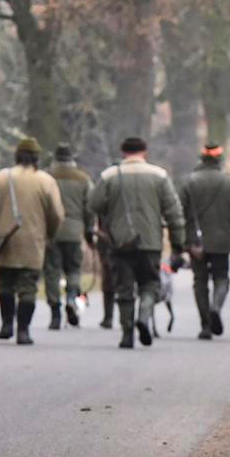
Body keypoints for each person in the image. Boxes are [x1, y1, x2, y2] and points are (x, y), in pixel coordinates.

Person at [88, 136, 186, 349]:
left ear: (123, 152)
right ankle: (144, 315)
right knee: (150, 284)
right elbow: (174, 212)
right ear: (145, 152)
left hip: (120, 243)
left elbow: (94, 204)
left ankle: (126, 334)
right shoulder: (159, 176)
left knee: (124, 288)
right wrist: (178, 243)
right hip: (150, 242)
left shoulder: (109, 176)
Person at [0, 138, 65, 346]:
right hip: (34, 241)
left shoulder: (2, 177)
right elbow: (57, 214)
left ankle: (7, 324)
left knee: (5, 283)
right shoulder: (46, 181)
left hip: (7, 238)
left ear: (17, 156)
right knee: (28, 287)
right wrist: (49, 235)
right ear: (37, 157)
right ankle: (23, 331)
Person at [179, 142, 230, 340]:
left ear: (202, 158)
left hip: (195, 242)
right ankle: (216, 307)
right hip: (221, 242)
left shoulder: (189, 182)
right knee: (221, 278)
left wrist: (181, 242)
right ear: (219, 159)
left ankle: (205, 325)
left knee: (200, 282)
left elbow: (179, 214)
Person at [43, 143, 94, 330]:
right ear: (72, 159)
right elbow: (90, 208)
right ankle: (72, 299)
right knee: (73, 270)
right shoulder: (83, 179)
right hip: (74, 231)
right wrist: (89, 231)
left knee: (52, 272)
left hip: (51, 232)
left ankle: (55, 313)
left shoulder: (46, 177)